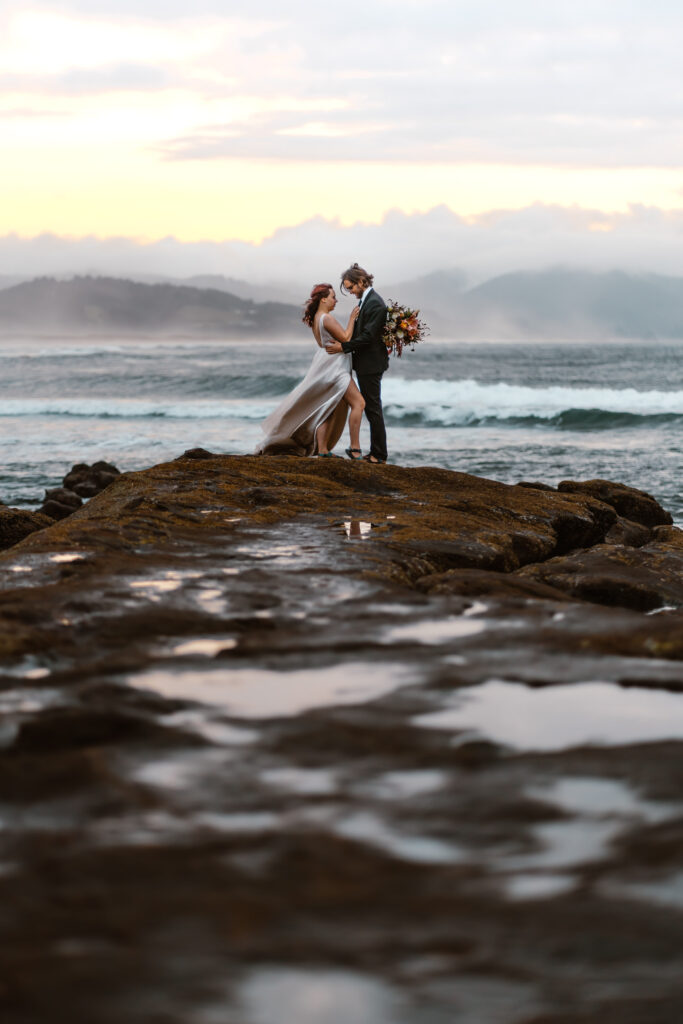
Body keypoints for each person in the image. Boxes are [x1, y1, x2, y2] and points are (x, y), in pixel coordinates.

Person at [256, 283, 365, 457]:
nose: (335, 301)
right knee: (359, 403)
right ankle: (355, 448)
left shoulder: (317, 318)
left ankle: (322, 450)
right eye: (333, 297)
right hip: (335, 368)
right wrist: (352, 318)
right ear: (323, 299)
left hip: (325, 364)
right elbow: (345, 338)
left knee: (327, 408)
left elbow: (323, 344)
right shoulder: (327, 318)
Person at [325, 262, 388, 464]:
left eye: (351, 287)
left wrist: (343, 348)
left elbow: (368, 337)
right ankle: (375, 452)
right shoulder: (366, 300)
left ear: (361, 281)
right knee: (370, 407)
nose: (351, 292)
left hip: (371, 364)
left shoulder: (376, 303)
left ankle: (379, 454)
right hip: (365, 363)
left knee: (373, 408)